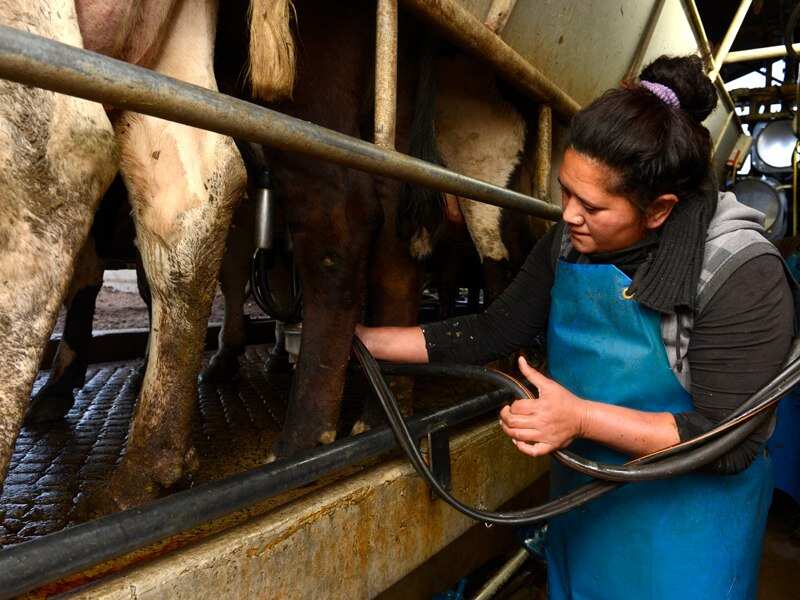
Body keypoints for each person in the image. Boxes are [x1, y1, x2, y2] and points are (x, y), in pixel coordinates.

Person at [357, 55, 799, 599]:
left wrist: (579, 418)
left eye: (591, 204)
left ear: (659, 209)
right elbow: (495, 330)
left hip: (690, 530)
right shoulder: (572, 240)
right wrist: (361, 341)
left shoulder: (738, 269)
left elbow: (727, 442)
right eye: (565, 191)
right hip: (589, 507)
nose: (567, 214)